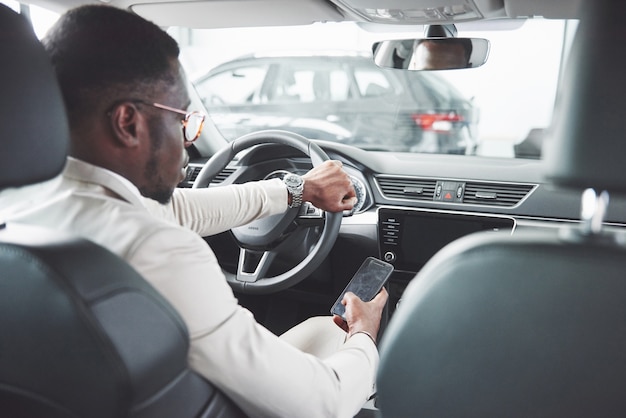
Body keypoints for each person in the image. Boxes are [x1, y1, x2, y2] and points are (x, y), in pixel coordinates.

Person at [0, 4, 388, 418]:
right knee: (340, 346)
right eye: (185, 120)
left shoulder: (22, 210)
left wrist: (297, 189)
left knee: (316, 331)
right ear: (128, 123)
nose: (189, 141)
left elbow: (179, 209)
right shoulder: (160, 251)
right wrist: (365, 335)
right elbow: (323, 404)